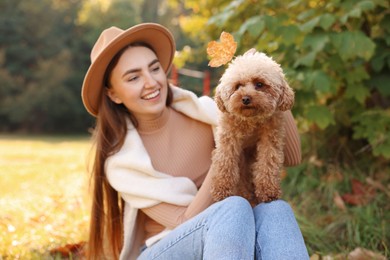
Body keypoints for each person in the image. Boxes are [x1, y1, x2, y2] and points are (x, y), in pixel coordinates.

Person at [81, 23, 309, 260]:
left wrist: (272, 82)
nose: (151, 82)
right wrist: (228, 150)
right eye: (134, 77)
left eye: (154, 68)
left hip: (228, 241)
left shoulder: (206, 112)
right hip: (166, 246)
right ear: (113, 94)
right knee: (233, 208)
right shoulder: (123, 163)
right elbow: (183, 222)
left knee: (276, 209)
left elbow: (292, 158)